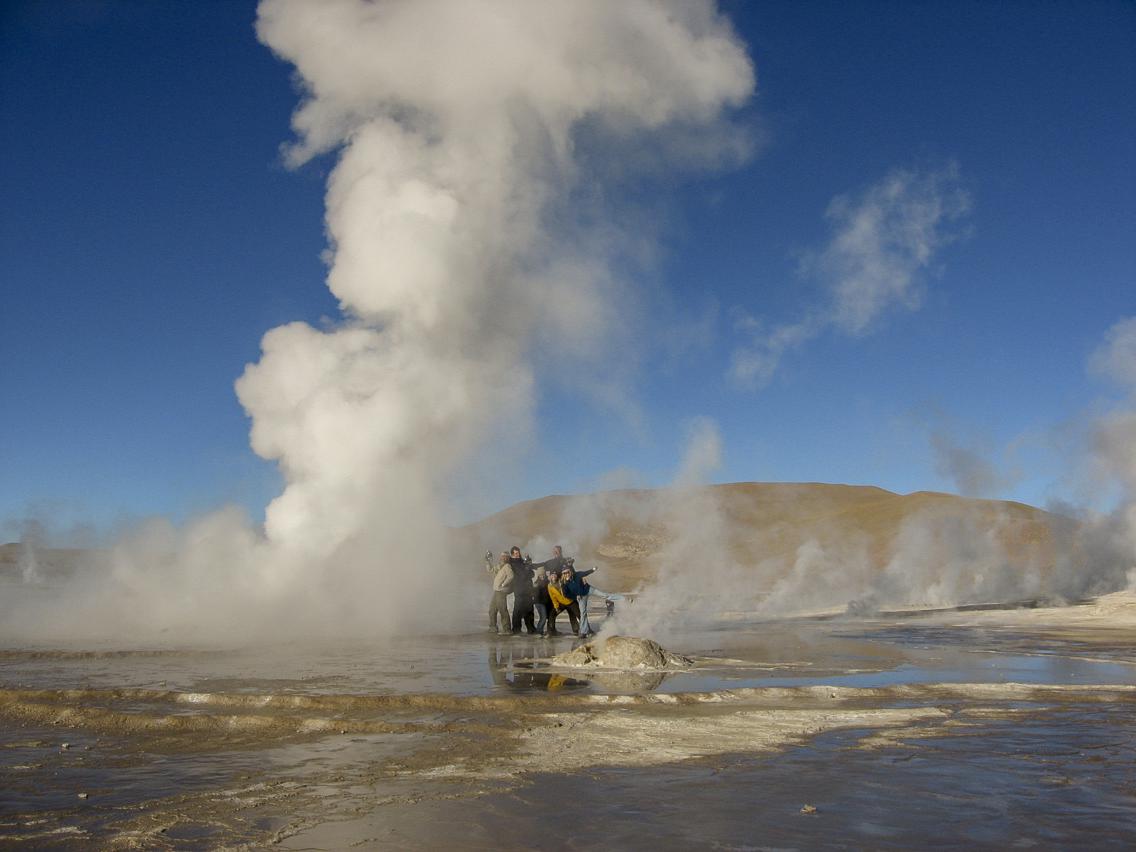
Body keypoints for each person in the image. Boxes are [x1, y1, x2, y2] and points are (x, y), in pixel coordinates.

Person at [561, 562, 598, 636]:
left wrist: (592, 570)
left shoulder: (572, 576)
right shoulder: (563, 582)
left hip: (572, 601)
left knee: (580, 614)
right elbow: (565, 594)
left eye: (568, 572)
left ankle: (585, 631)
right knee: (574, 616)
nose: (566, 574)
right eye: (565, 573)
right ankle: (579, 631)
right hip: (564, 602)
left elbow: (580, 575)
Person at [508, 546, 536, 634]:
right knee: (518, 610)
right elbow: (522, 575)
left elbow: (532, 573)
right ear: (512, 554)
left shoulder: (522, 562)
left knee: (529, 609)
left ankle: (531, 629)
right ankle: (516, 629)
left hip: (528, 589)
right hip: (519, 589)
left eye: (519, 553)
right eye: (516, 553)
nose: (518, 555)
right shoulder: (512, 564)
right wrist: (527, 568)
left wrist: (528, 567)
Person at [488, 551, 513, 634]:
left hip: (501, 591)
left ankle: (507, 629)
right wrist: (488, 561)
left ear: (508, 558)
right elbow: (491, 570)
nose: (504, 558)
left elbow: (511, 576)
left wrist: (504, 584)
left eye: (506, 556)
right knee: (492, 610)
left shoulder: (507, 566)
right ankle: (493, 627)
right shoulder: (500, 566)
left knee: (502, 610)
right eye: (502, 556)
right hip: (496, 591)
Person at [546, 569, 576, 635]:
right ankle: (551, 631)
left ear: (557, 576)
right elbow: (553, 598)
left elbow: (570, 576)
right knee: (552, 615)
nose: (553, 576)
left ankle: (577, 630)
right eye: (552, 575)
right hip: (561, 603)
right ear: (550, 576)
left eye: (555, 575)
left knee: (575, 615)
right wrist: (556, 607)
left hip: (570, 601)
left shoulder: (562, 581)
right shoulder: (550, 586)